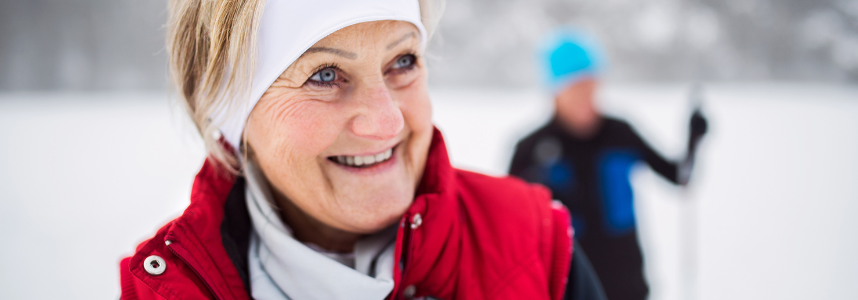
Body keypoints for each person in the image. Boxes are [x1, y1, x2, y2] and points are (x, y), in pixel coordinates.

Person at [119, 1, 605, 299]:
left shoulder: (535, 246)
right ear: (231, 111)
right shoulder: (173, 290)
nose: (388, 120)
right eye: (325, 75)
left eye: (402, 61)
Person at [509, 30, 708, 300]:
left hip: (628, 284)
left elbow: (680, 177)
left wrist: (694, 140)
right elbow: (509, 225)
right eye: (574, 88)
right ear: (555, 92)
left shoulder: (620, 133)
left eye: (590, 86)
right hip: (568, 287)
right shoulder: (531, 149)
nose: (585, 97)